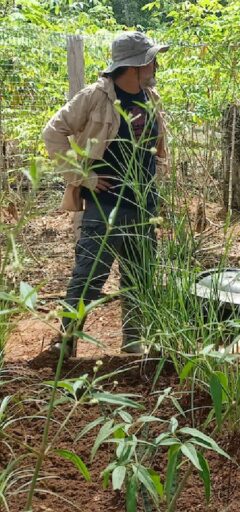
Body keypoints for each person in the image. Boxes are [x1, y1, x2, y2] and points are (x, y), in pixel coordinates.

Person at [42, 31, 169, 358]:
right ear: (136, 65)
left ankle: (133, 343)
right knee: (89, 276)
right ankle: (64, 345)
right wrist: (82, 175)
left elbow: (155, 150)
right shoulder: (96, 97)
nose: (156, 64)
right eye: (152, 58)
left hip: (143, 205)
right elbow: (53, 132)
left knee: (139, 277)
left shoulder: (150, 96)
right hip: (105, 204)